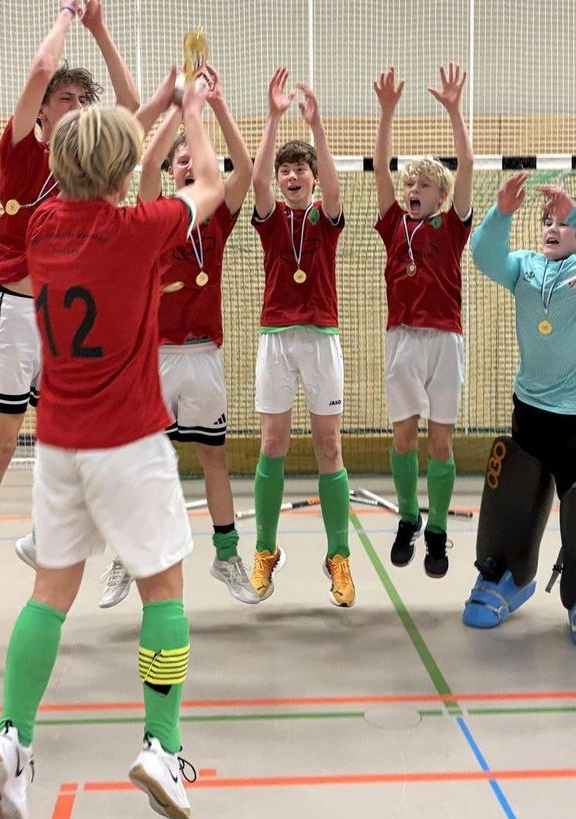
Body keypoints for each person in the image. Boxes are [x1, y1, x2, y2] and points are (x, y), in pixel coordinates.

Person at [0, 89, 225, 819]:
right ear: (124, 176)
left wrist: (154, 118)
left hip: (57, 445)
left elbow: (114, 171)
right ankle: (163, 746)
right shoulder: (141, 229)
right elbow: (207, 183)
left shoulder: (44, 226)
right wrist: (195, 112)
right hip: (130, 443)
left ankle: (13, 737)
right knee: (165, 592)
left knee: (51, 592)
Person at [0, 0, 142, 621]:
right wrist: (66, 12)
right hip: (14, 312)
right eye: (66, 97)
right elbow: (39, 65)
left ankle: (42, 537)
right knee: (2, 443)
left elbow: (134, 109)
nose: (78, 105)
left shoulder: (94, 163)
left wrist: (101, 30)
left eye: (86, 98)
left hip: (67, 321)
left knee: (78, 440)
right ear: (44, 111)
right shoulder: (21, 151)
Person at [92, 63, 262, 609]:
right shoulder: (152, 213)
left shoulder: (218, 220)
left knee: (214, 459)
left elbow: (248, 168)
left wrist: (213, 111)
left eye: (197, 158)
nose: (190, 162)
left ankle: (227, 554)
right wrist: (174, 109)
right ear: (170, 172)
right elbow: (143, 165)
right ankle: (126, 556)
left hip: (204, 356)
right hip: (154, 358)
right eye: (181, 159)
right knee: (145, 463)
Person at [463, 172, 576, 648]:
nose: (552, 226)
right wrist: (501, 213)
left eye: (561, 222)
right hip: (532, 412)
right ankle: (509, 575)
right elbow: (483, 255)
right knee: (516, 506)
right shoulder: (523, 267)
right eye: (547, 220)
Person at [248, 67, 355, 607]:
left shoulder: (325, 215)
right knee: (272, 443)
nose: (291, 177)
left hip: (319, 339)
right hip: (274, 338)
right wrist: (272, 118)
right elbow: (257, 182)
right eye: (286, 170)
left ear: (312, 179)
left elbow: (336, 186)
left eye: (300, 170)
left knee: (329, 445)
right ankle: (265, 550)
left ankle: (338, 556)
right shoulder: (269, 219)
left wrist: (316, 128)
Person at [371, 63, 475, 579]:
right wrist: (387, 112)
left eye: (425, 183)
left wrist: (454, 109)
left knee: (441, 443)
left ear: (440, 195)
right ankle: (409, 519)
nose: (413, 186)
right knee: (404, 439)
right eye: (409, 180)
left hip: (446, 340)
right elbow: (379, 169)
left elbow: (469, 166)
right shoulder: (394, 224)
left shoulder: (451, 228)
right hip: (402, 340)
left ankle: (437, 531)